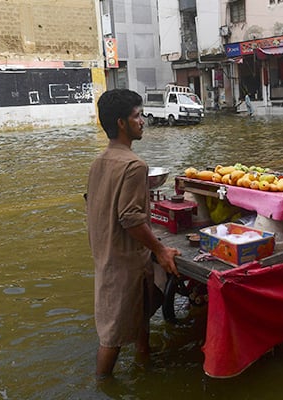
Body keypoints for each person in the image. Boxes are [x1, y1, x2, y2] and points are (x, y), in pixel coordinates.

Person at [86, 89, 181, 381]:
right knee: (112, 337)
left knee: (139, 314)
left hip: (108, 254)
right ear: (122, 123)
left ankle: (144, 358)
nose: (142, 121)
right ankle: (102, 384)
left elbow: (95, 204)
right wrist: (161, 251)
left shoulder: (100, 161)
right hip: (124, 262)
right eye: (137, 116)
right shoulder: (134, 165)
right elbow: (130, 218)